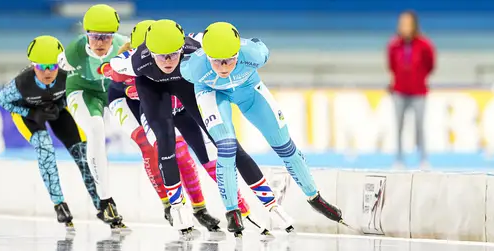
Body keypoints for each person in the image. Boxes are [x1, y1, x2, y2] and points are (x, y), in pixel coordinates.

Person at [102, 19, 295, 236]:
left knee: (225, 144)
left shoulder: (194, 45)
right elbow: (112, 69)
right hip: (154, 93)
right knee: (165, 143)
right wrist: (114, 75)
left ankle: (266, 206)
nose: (168, 61)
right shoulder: (133, 62)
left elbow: (226, 41)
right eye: (161, 56)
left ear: (181, 47)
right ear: (147, 51)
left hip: (184, 92)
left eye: (173, 54)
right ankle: (176, 207)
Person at [180, 22, 343, 234]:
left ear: (238, 54)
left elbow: (258, 47)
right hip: (212, 93)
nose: (224, 67)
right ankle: (232, 211)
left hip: (248, 90)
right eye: (217, 62)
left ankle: (315, 198)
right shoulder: (192, 68)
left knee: (284, 144)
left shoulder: (254, 53)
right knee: (227, 147)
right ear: (207, 57)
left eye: (230, 60)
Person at [107, 21, 221, 232]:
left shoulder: (165, 56)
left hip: (149, 103)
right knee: (148, 146)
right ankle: (169, 204)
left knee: (180, 150)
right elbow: (114, 77)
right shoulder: (131, 62)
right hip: (126, 103)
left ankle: (199, 208)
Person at [0, 35, 102, 230]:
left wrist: (60, 104)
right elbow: (2, 100)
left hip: (56, 110)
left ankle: (102, 203)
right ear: (33, 66)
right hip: (28, 115)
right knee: (44, 148)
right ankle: (59, 204)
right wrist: (30, 113)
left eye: (52, 67)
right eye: (42, 67)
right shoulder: (20, 84)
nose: (47, 72)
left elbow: (78, 93)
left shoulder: (68, 75)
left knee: (82, 153)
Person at [57, 4, 127, 229]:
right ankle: (106, 201)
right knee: (96, 129)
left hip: (112, 92)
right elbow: (54, 70)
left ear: (114, 36)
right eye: (95, 36)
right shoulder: (73, 52)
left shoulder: (124, 46)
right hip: (83, 92)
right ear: (86, 33)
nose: (100, 43)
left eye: (106, 37)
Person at [387, 10, 435, 168]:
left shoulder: (424, 45)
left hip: (418, 92)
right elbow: (391, 66)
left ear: (414, 25)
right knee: (399, 126)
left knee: (420, 126)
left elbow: (430, 64)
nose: (404, 27)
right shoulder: (394, 45)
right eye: (402, 24)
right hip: (399, 91)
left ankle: (423, 159)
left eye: (407, 23)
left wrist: (419, 77)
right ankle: (399, 159)